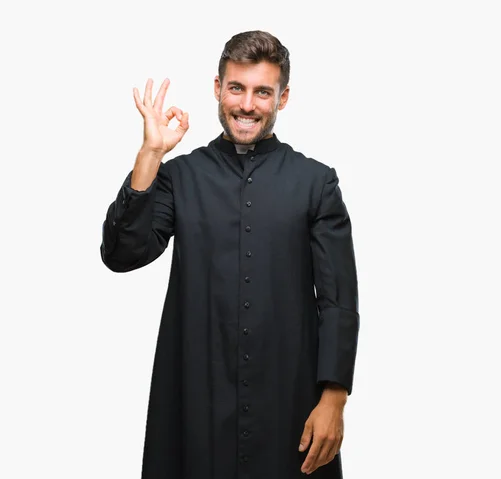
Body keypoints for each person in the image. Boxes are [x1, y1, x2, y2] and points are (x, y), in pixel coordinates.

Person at [100, 30, 359, 479]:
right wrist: (151, 153)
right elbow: (122, 253)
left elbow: (337, 300)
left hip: (288, 403)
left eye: (263, 92)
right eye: (237, 88)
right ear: (218, 88)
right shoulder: (179, 177)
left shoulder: (316, 183)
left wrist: (333, 399)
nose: (247, 105)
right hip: (196, 402)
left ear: (283, 98)